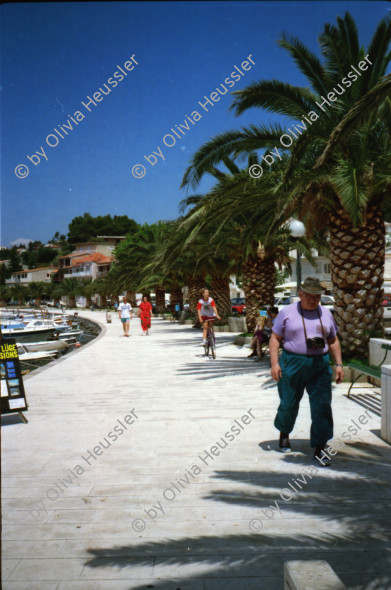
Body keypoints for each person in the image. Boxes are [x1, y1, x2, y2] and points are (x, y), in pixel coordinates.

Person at [269, 277, 343, 466]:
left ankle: (320, 445)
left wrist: (339, 365)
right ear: (300, 294)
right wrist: (275, 364)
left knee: (322, 405)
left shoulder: (326, 313)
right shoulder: (287, 312)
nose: (312, 299)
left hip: (320, 364)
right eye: (308, 295)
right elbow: (275, 338)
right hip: (293, 362)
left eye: (316, 296)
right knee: (288, 402)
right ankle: (284, 433)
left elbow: (333, 340)